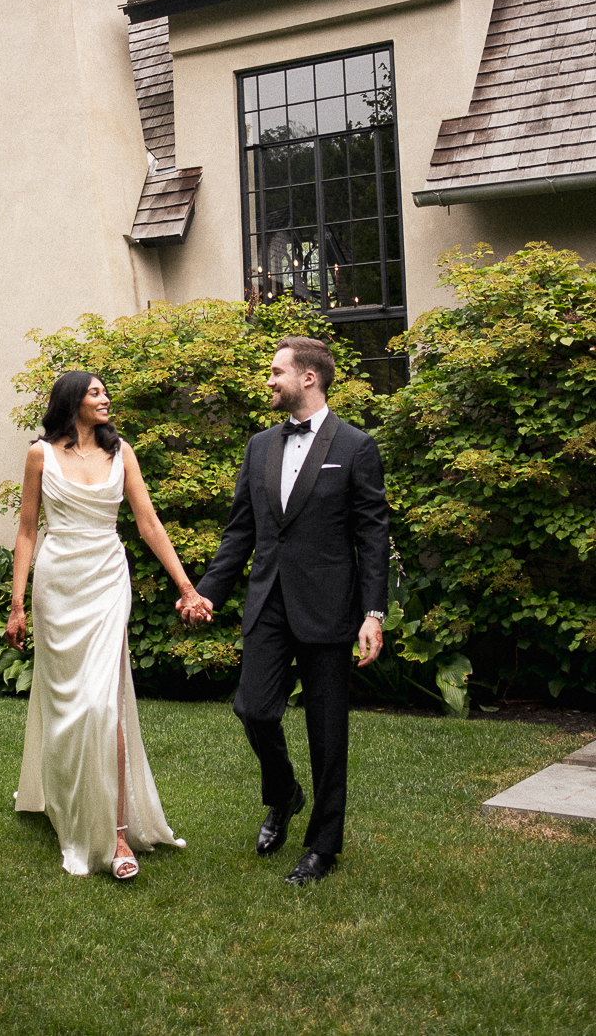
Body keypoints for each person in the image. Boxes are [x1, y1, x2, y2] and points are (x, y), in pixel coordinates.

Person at [179, 336, 389, 886]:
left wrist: (374, 613)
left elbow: (372, 537)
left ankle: (324, 845)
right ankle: (285, 794)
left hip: (328, 608)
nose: (269, 381)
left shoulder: (357, 446)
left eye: (277, 372)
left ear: (309, 379)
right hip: (268, 601)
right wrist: (207, 593)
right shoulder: (259, 446)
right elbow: (240, 531)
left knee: (327, 733)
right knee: (253, 709)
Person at [5, 370, 210, 879]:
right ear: (72, 401)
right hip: (58, 585)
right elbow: (27, 531)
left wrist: (187, 587)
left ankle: (118, 836)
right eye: (95, 392)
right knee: (67, 704)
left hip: (105, 581)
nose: (106, 398)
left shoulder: (124, 453)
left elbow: (148, 523)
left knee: (103, 703)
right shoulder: (40, 455)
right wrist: (17, 604)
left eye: (105, 391)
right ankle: (64, 801)